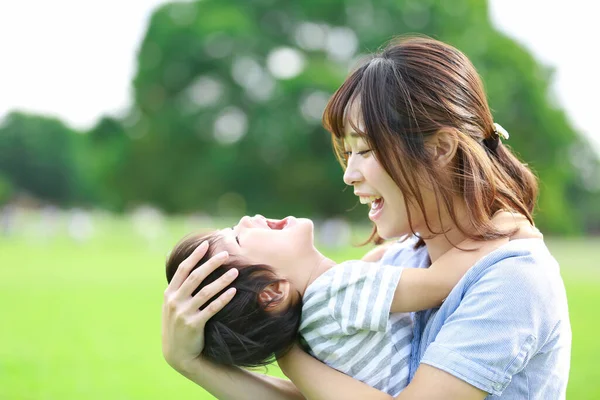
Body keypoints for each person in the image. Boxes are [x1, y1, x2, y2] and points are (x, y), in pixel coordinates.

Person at [162, 35, 571, 399]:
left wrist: (289, 352)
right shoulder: (402, 261)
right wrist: (192, 363)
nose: (348, 174)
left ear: (440, 148)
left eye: (365, 151)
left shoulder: (514, 278)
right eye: (347, 152)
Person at [165, 213, 529, 395]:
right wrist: (502, 231)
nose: (246, 219)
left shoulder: (310, 328)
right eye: (239, 239)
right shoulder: (337, 293)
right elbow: (438, 283)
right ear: (272, 293)